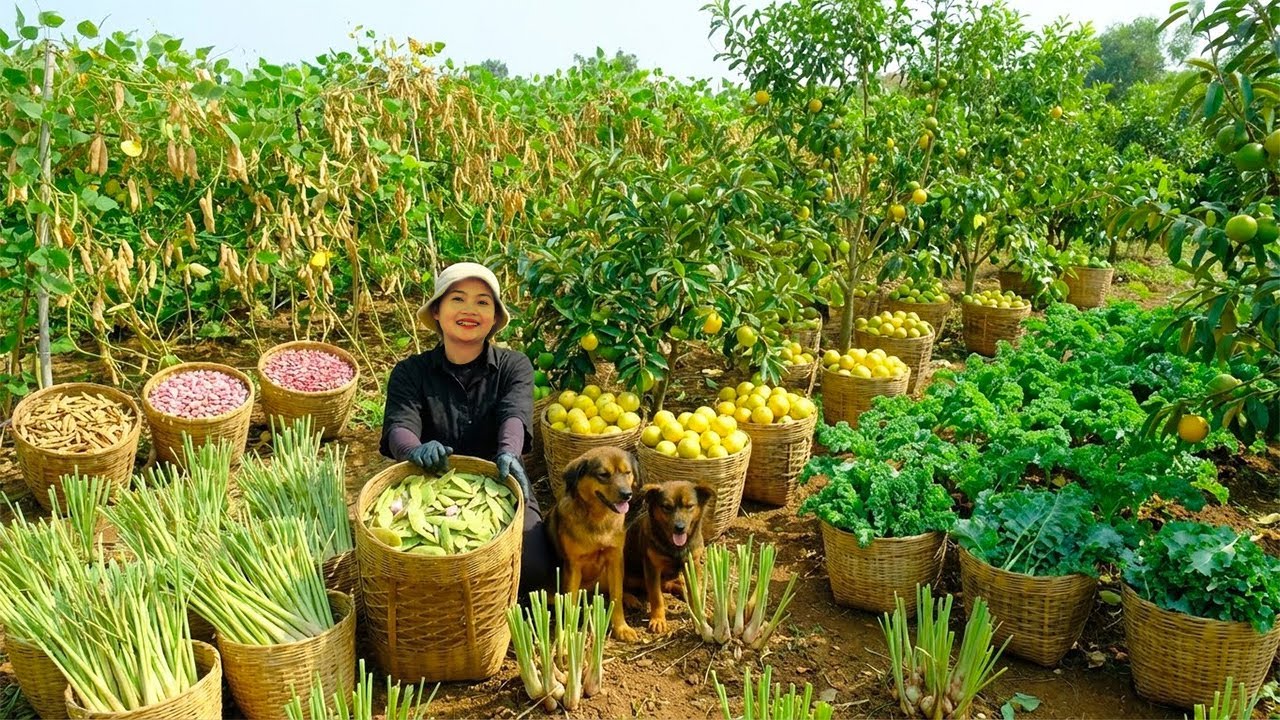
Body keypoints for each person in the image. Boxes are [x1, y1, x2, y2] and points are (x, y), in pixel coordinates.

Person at [380, 261, 554, 597]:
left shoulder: (513, 366)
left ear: (493, 318)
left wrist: (508, 452)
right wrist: (414, 451)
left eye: (483, 302)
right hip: (430, 483)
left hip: (501, 481)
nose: (470, 310)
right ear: (436, 312)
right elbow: (400, 426)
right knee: (420, 578)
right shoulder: (410, 372)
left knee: (533, 570)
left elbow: (514, 416)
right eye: (457, 299)